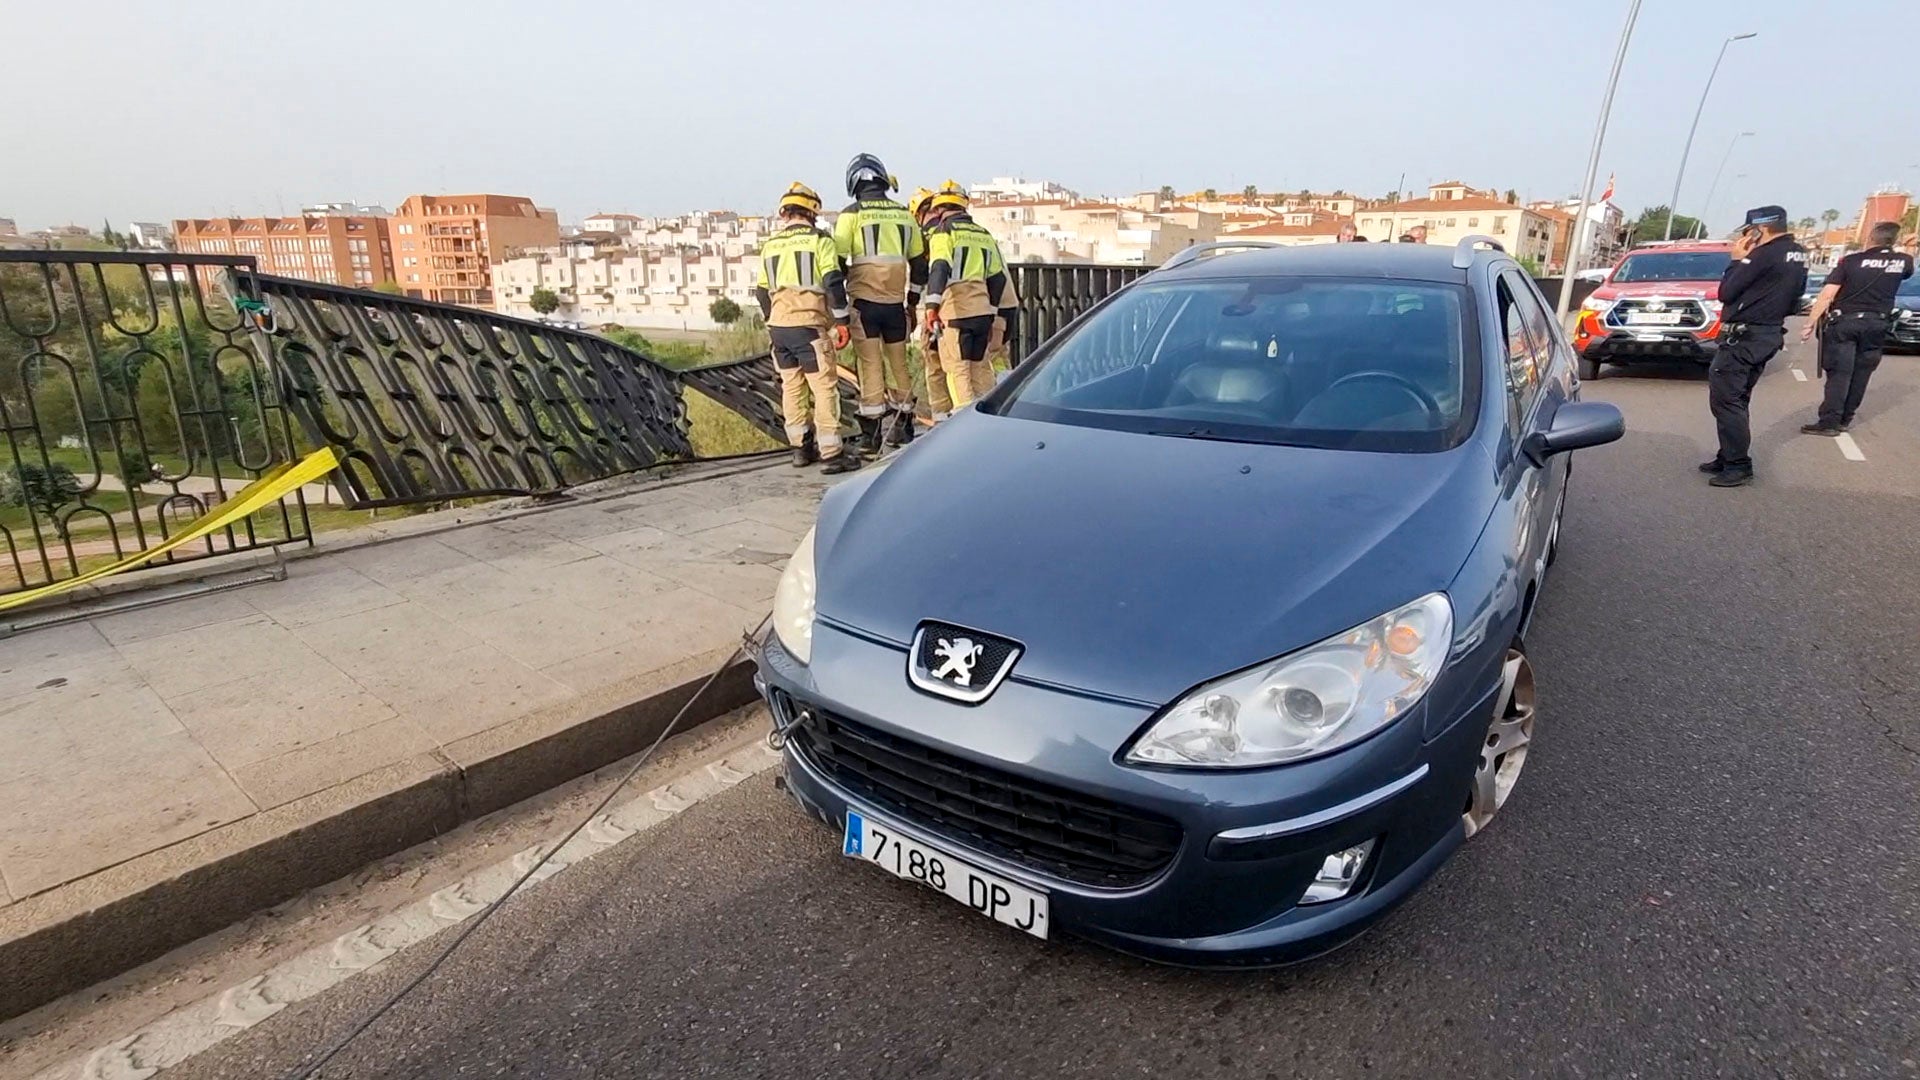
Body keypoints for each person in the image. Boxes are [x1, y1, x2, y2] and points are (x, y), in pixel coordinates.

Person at [753, 182, 859, 475]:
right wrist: (841, 321)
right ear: (812, 211)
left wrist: (771, 319)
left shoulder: (770, 245)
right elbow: (833, 282)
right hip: (809, 327)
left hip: (779, 329)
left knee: (792, 387)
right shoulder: (819, 241)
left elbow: (761, 291)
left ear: (784, 212)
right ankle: (832, 453)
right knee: (824, 388)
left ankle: (800, 449)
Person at [1699, 205, 1808, 487]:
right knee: (1739, 397)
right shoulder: (1797, 253)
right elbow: (1796, 296)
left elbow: (1727, 292)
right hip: (1767, 333)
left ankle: (1737, 464)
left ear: (1760, 229)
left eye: (1749, 231)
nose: (1747, 237)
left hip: (1745, 337)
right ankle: (1728, 455)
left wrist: (1737, 260)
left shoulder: (1762, 255)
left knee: (1726, 400)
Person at [833, 153, 927, 452]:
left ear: (853, 184)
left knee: (870, 365)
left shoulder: (850, 215)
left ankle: (871, 437)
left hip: (864, 304)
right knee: (899, 363)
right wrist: (912, 301)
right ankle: (904, 426)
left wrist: (840, 303)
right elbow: (920, 265)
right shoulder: (904, 215)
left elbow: (836, 262)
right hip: (896, 306)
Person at [1798, 220, 1913, 435]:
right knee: (1862, 373)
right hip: (1877, 324)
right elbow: (1905, 272)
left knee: (1840, 374)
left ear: (1870, 237)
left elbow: (1827, 294)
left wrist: (1809, 323)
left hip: (1846, 323)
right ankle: (1845, 419)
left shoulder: (1850, 262)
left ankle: (1829, 422)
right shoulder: (1904, 260)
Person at [920, 180, 1017, 413]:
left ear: (939, 209)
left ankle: (962, 423)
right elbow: (997, 277)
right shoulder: (983, 234)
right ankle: (987, 422)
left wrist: (932, 306)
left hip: (956, 313)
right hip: (983, 313)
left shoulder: (943, 232)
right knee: (980, 368)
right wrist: (992, 309)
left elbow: (940, 267)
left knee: (958, 370)